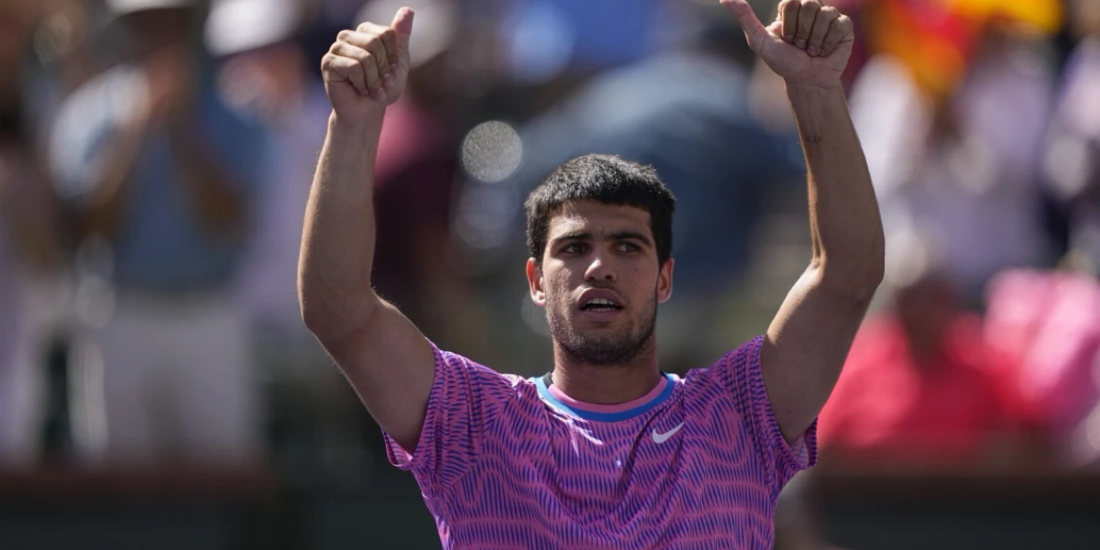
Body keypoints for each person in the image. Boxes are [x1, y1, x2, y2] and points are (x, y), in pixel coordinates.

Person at [298, 0, 884, 547]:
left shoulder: (738, 416)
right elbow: (339, 310)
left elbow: (848, 276)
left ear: (664, 279)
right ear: (533, 280)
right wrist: (352, 124)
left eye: (629, 247)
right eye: (574, 248)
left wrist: (816, 91)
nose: (600, 267)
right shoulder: (473, 423)